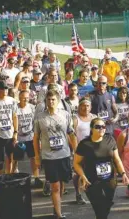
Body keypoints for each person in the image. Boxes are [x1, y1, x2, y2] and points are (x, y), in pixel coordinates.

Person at [73, 117, 129, 219]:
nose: (101, 129)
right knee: (99, 209)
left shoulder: (110, 139)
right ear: (91, 129)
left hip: (110, 180)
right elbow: (76, 163)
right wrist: (83, 176)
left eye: (103, 126)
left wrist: (123, 173)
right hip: (92, 181)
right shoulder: (84, 144)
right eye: (98, 127)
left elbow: (117, 159)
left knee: (106, 205)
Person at [34, 90, 77, 219]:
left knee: (62, 184)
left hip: (64, 155)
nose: (51, 102)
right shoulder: (40, 117)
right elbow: (35, 138)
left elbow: (71, 134)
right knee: (55, 186)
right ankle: (58, 215)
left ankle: (56, 206)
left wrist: (76, 152)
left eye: (53, 100)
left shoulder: (65, 115)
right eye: (48, 100)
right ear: (45, 102)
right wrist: (37, 156)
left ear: (58, 101)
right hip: (49, 156)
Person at [12, 90, 43, 186]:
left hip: (30, 136)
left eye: (27, 97)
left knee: (33, 157)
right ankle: (12, 176)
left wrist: (38, 137)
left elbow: (36, 122)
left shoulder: (32, 108)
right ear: (19, 98)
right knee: (15, 158)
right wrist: (14, 135)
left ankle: (36, 177)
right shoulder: (15, 108)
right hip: (19, 137)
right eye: (23, 97)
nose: (25, 99)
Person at [72, 98, 96, 204]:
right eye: (83, 105)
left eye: (87, 106)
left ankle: (94, 191)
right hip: (80, 150)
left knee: (93, 171)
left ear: (90, 107)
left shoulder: (94, 117)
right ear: (79, 107)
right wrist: (75, 149)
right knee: (78, 173)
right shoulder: (75, 118)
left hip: (93, 149)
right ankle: (78, 194)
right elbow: (71, 135)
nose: (85, 108)